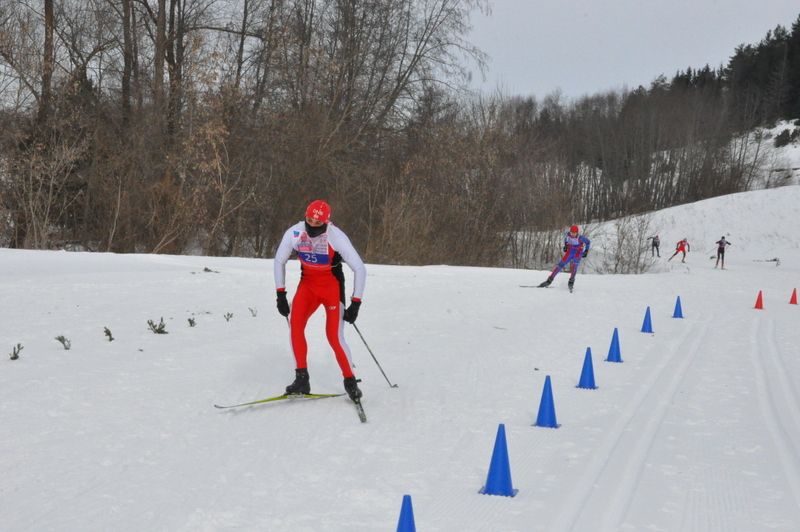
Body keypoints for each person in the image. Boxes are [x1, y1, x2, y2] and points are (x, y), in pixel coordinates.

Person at [273, 200, 367, 401]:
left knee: (333, 336)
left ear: (327, 221)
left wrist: (356, 302)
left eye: (318, 222)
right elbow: (279, 260)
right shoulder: (295, 232)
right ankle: (302, 379)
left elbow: (359, 268)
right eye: (309, 220)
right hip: (308, 286)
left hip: (332, 288)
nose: (313, 224)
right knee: (295, 326)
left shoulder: (336, 236)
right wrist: (280, 294)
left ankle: (350, 381)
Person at [538, 225, 591, 290]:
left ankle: (571, 282)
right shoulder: (568, 235)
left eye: (574, 233)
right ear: (570, 232)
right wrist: (565, 246)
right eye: (572, 233)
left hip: (578, 253)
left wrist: (586, 251)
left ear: (577, 232)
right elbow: (566, 240)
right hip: (570, 251)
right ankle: (549, 280)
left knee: (574, 266)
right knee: (560, 265)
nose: (573, 234)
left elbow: (588, 242)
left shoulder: (581, 238)